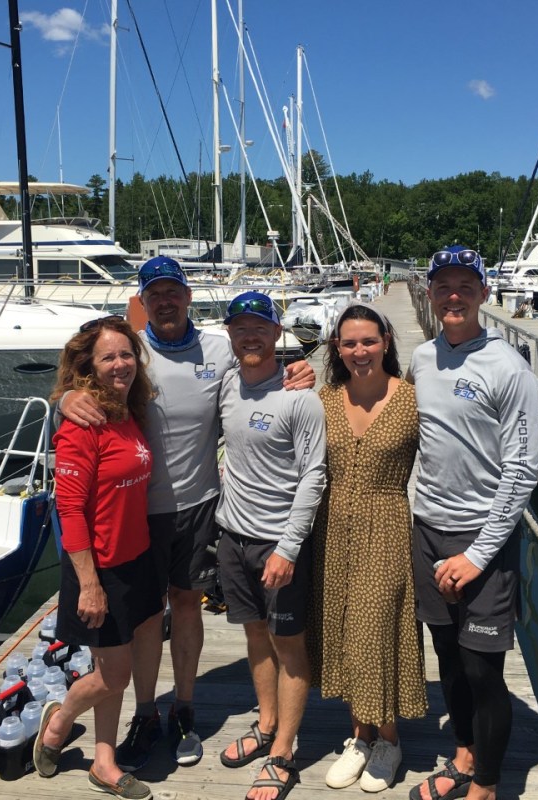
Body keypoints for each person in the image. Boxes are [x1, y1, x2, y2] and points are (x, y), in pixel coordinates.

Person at [59, 256, 314, 772]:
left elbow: (260, 372)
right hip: (138, 511)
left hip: (199, 505)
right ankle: (147, 711)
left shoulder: (219, 349)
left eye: (174, 292)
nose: (166, 301)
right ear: (143, 302)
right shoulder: (131, 352)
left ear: (188, 297)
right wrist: (64, 397)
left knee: (187, 603)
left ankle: (185, 707)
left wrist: (300, 370)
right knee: (149, 616)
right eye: (155, 295)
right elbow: (82, 377)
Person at [407, 247, 538, 800]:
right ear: (432, 295)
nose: (454, 295)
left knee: (483, 669)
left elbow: (523, 467)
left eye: (466, 286)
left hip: (482, 538)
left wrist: (479, 554)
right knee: (448, 659)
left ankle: (486, 785)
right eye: (444, 287)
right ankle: (463, 751)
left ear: (485, 294)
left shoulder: (508, 367)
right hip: (427, 527)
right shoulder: (421, 357)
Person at [34, 315, 161, 800]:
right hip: (99, 567)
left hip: (137, 558)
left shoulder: (129, 410)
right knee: (114, 674)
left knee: (115, 666)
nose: (120, 365)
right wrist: (89, 583)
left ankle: (103, 762)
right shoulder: (81, 421)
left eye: (126, 354)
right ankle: (59, 722)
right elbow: (69, 508)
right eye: (108, 357)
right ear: (87, 363)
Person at [308, 303, 427, 793]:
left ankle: (390, 739)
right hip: (331, 526)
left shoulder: (412, 400)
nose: (360, 351)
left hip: (387, 521)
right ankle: (358, 734)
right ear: (337, 348)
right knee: (340, 626)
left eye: (369, 341)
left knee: (376, 627)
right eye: (349, 343)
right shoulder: (323, 398)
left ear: (387, 341)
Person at [214, 291, 326, 800]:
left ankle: (283, 751)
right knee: (254, 637)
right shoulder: (227, 385)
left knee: (288, 645)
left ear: (277, 333)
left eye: (260, 327)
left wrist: (288, 547)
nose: (250, 336)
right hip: (232, 537)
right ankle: (264, 723)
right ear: (231, 335)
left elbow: (313, 477)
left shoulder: (299, 396)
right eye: (241, 328)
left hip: (278, 544)